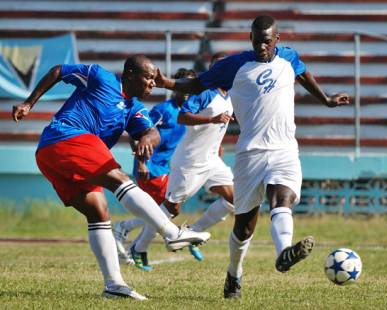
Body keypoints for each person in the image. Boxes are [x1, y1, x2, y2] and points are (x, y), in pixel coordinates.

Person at [154, 15, 350, 299]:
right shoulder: (234, 65)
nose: (261, 47)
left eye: (267, 41)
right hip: (250, 154)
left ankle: (284, 252)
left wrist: (327, 99)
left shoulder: (289, 58)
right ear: (250, 39)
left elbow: (303, 73)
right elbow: (197, 85)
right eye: (257, 41)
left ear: (277, 40)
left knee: (281, 198)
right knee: (244, 227)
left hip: (284, 150)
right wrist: (167, 83)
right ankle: (234, 275)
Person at [11, 55, 210, 301]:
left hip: (52, 156)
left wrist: (148, 137)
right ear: (130, 75)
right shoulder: (100, 76)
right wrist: (29, 103)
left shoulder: (134, 108)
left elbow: (152, 131)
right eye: (148, 77)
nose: (152, 83)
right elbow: (58, 69)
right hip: (65, 137)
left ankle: (114, 285)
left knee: (99, 212)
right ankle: (172, 233)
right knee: (119, 178)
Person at [130, 52, 235, 270]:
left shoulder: (229, 94)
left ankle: (194, 231)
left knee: (235, 198)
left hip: (212, 159)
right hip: (190, 161)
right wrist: (212, 119)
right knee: (171, 208)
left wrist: (218, 142)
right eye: (218, 66)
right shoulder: (205, 91)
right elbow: (182, 116)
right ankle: (138, 247)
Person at [112, 68, 200, 268]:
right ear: (175, 87)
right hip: (150, 167)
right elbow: (139, 133)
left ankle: (124, 229)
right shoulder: (164, 110)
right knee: (168, 208)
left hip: (165, 168)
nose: (186, 91)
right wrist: (142, 162)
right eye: (182, 85)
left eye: (190, 86)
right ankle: (129, 234)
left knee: (166, 209)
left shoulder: (189, 112)